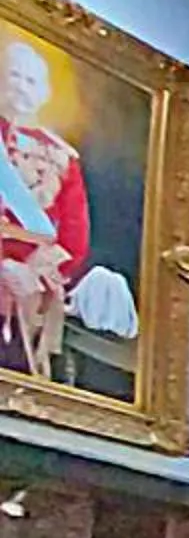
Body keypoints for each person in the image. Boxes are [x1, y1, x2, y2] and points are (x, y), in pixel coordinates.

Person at [1, 38, 136, 381]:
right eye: (14, 76)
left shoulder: (62, 156)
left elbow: (74, 238)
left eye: (31, 81)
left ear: (44, 92)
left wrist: (34, 271)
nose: (21, 87)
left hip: (36, 282)